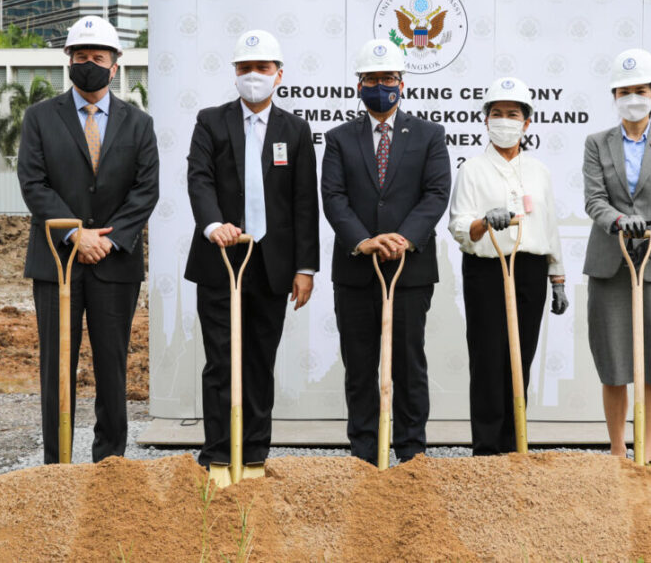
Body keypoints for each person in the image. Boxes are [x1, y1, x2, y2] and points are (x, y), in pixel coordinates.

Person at [17, 15, 159, 464]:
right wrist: (76, 233)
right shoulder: (40, 118)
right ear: (68, 62)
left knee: (112, 364)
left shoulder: (139, 123)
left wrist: (107, 240)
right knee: (56, 364)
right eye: (81, 57)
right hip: (56, 260)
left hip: (115, 262)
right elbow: (34, 183)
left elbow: (145, 190)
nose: (89, 64)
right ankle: (57, 463)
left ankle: (110, 461)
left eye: (98, 57)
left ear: (116, 65)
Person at [185, 30, 319, 475]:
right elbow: (199, 178)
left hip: (272, 264)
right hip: (220, 258)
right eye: (245, 68)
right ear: (234, 74)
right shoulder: (211, 121)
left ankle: (256, 451)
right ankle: (219, 453)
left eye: (263, 68)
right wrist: (212, 225)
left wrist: (305, 268)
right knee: (222, 359)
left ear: (279, 74)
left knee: (260, 359)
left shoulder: (295, 131)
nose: (253, 76)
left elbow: (305, 202)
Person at [321, 39, 451, 464]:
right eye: (372, 79)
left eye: (388, 79)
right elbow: (334, 196)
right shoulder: (339, 138)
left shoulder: (429, 135)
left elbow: (435, 194)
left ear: (402, 82)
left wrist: (403, 238)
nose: (381, 85)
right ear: (359, 85)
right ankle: (363, 453)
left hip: (409, 270)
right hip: (356, 270)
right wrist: (364, 240)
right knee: (360, 366)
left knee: (408, 364)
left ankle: (412, 453)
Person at [448, 77, 568, 456]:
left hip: (529, 270)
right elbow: (458, 225)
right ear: (485, 121)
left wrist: (558, 277)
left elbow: (549, 225)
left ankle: (514, 445)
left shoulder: (539, 171)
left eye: (512, 114)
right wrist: (484, 222)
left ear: (527, 123)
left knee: (521, 354)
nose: (504, 121)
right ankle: (486, 449)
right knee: (487, 356)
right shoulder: (472, 170)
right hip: (487, 269)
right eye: (496, 113)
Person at [582, 48, 651, 460]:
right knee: (614, 365)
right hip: (611, 263)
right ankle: (617, 453)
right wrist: (616, 222)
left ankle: (644, 454)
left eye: (640, 90)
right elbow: (593, 200)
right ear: (614, 95)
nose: (633, 98)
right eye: (624, 91)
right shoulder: (597, 143)